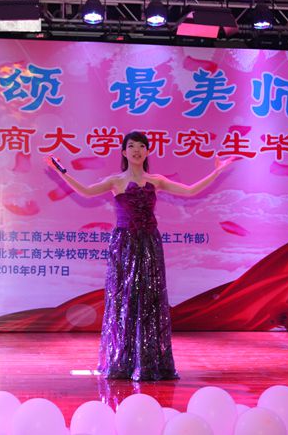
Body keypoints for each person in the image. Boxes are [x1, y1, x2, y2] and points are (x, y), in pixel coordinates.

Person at [46, 130, 238, 381]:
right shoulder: (115, 181)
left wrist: (217, 171)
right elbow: (86, 191)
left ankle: (147, 361)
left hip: (149, 244)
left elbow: (190, 191)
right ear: (124, 152)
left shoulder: (156, 180)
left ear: (147, 152)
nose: (136, 150)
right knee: (124, 299)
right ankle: (123, 360)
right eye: (131, 146)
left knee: (149, 300)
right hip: (124, 244)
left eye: (141, 146)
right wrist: (60, 171)